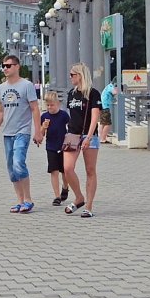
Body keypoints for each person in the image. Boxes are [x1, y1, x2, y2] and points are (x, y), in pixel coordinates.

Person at [0, 54, 42, 214]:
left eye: (8, 65)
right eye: (3, 65)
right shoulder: (2, 87)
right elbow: (0, 111)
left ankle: (28, 199)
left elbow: (35, 108)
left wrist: (37, 131)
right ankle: (19, 201)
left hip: (22, 131)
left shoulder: (27, 85)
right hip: (8, 133)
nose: (5, 68)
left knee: (19, 163)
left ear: (17, 66)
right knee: (11, 168)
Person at [63, 62, 102, 218]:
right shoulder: (71, 93)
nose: (70, 77)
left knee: (90, 170)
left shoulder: (93, 93)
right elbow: (71, 115)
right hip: (72, 134)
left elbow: (95, 117)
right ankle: (79, 196)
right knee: (67, 168)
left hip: (88, 135)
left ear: (80, 75)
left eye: (72, 74)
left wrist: (89, 136)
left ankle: (89, 206)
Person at [40, 90, 71, 206]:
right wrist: (43, 127)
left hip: (63, 146)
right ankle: (57, 196)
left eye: (51, 105)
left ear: (57, 103)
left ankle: (65, 186)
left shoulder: (63, 115)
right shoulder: (44, 116)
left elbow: (70, 127)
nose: (49, 107)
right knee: (54, 171)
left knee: (65, 171)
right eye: (47, 105)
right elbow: (41, 133)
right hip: (51, 146)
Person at [98, 79, 116, 143]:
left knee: (102, 123)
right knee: (107, 123)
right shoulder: (110, 86)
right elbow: (114, 92)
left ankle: (101, 137)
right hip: (105, 107)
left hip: (102, 106)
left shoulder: (107, 87)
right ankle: (103, 138)